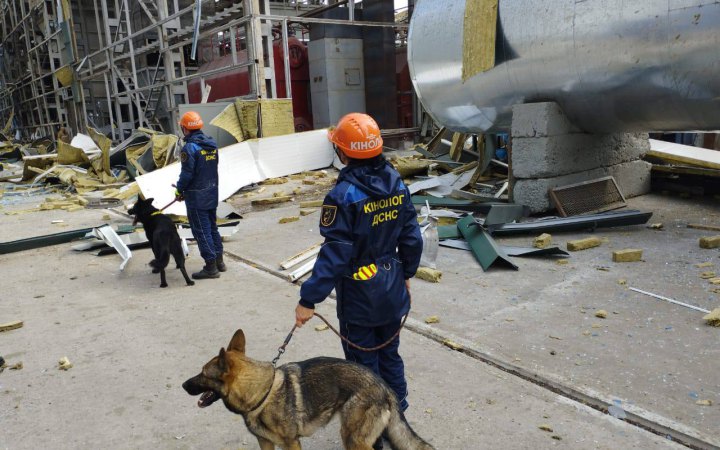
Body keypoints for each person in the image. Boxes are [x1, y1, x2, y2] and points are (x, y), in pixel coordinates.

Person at [294, 113, 423, 416]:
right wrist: (406, 273)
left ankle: (372, 432)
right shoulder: (397, 183)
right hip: (391, 287)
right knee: (389, 356)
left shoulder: (343, 196)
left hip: (359, 297)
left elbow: (335, 255)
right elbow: (412, 236)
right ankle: (397, 417)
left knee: (363, 369)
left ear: (343, 152)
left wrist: (308, 299)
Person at [175, 111, 226, 279]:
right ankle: (219, 261)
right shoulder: (211, 144)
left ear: (185, 128)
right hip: (212, 192)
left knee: (202, 231)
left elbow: (187, 174)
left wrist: (179, 189)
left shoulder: (190, 148)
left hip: (197, 197)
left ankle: (211, 267)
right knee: (212, 228)